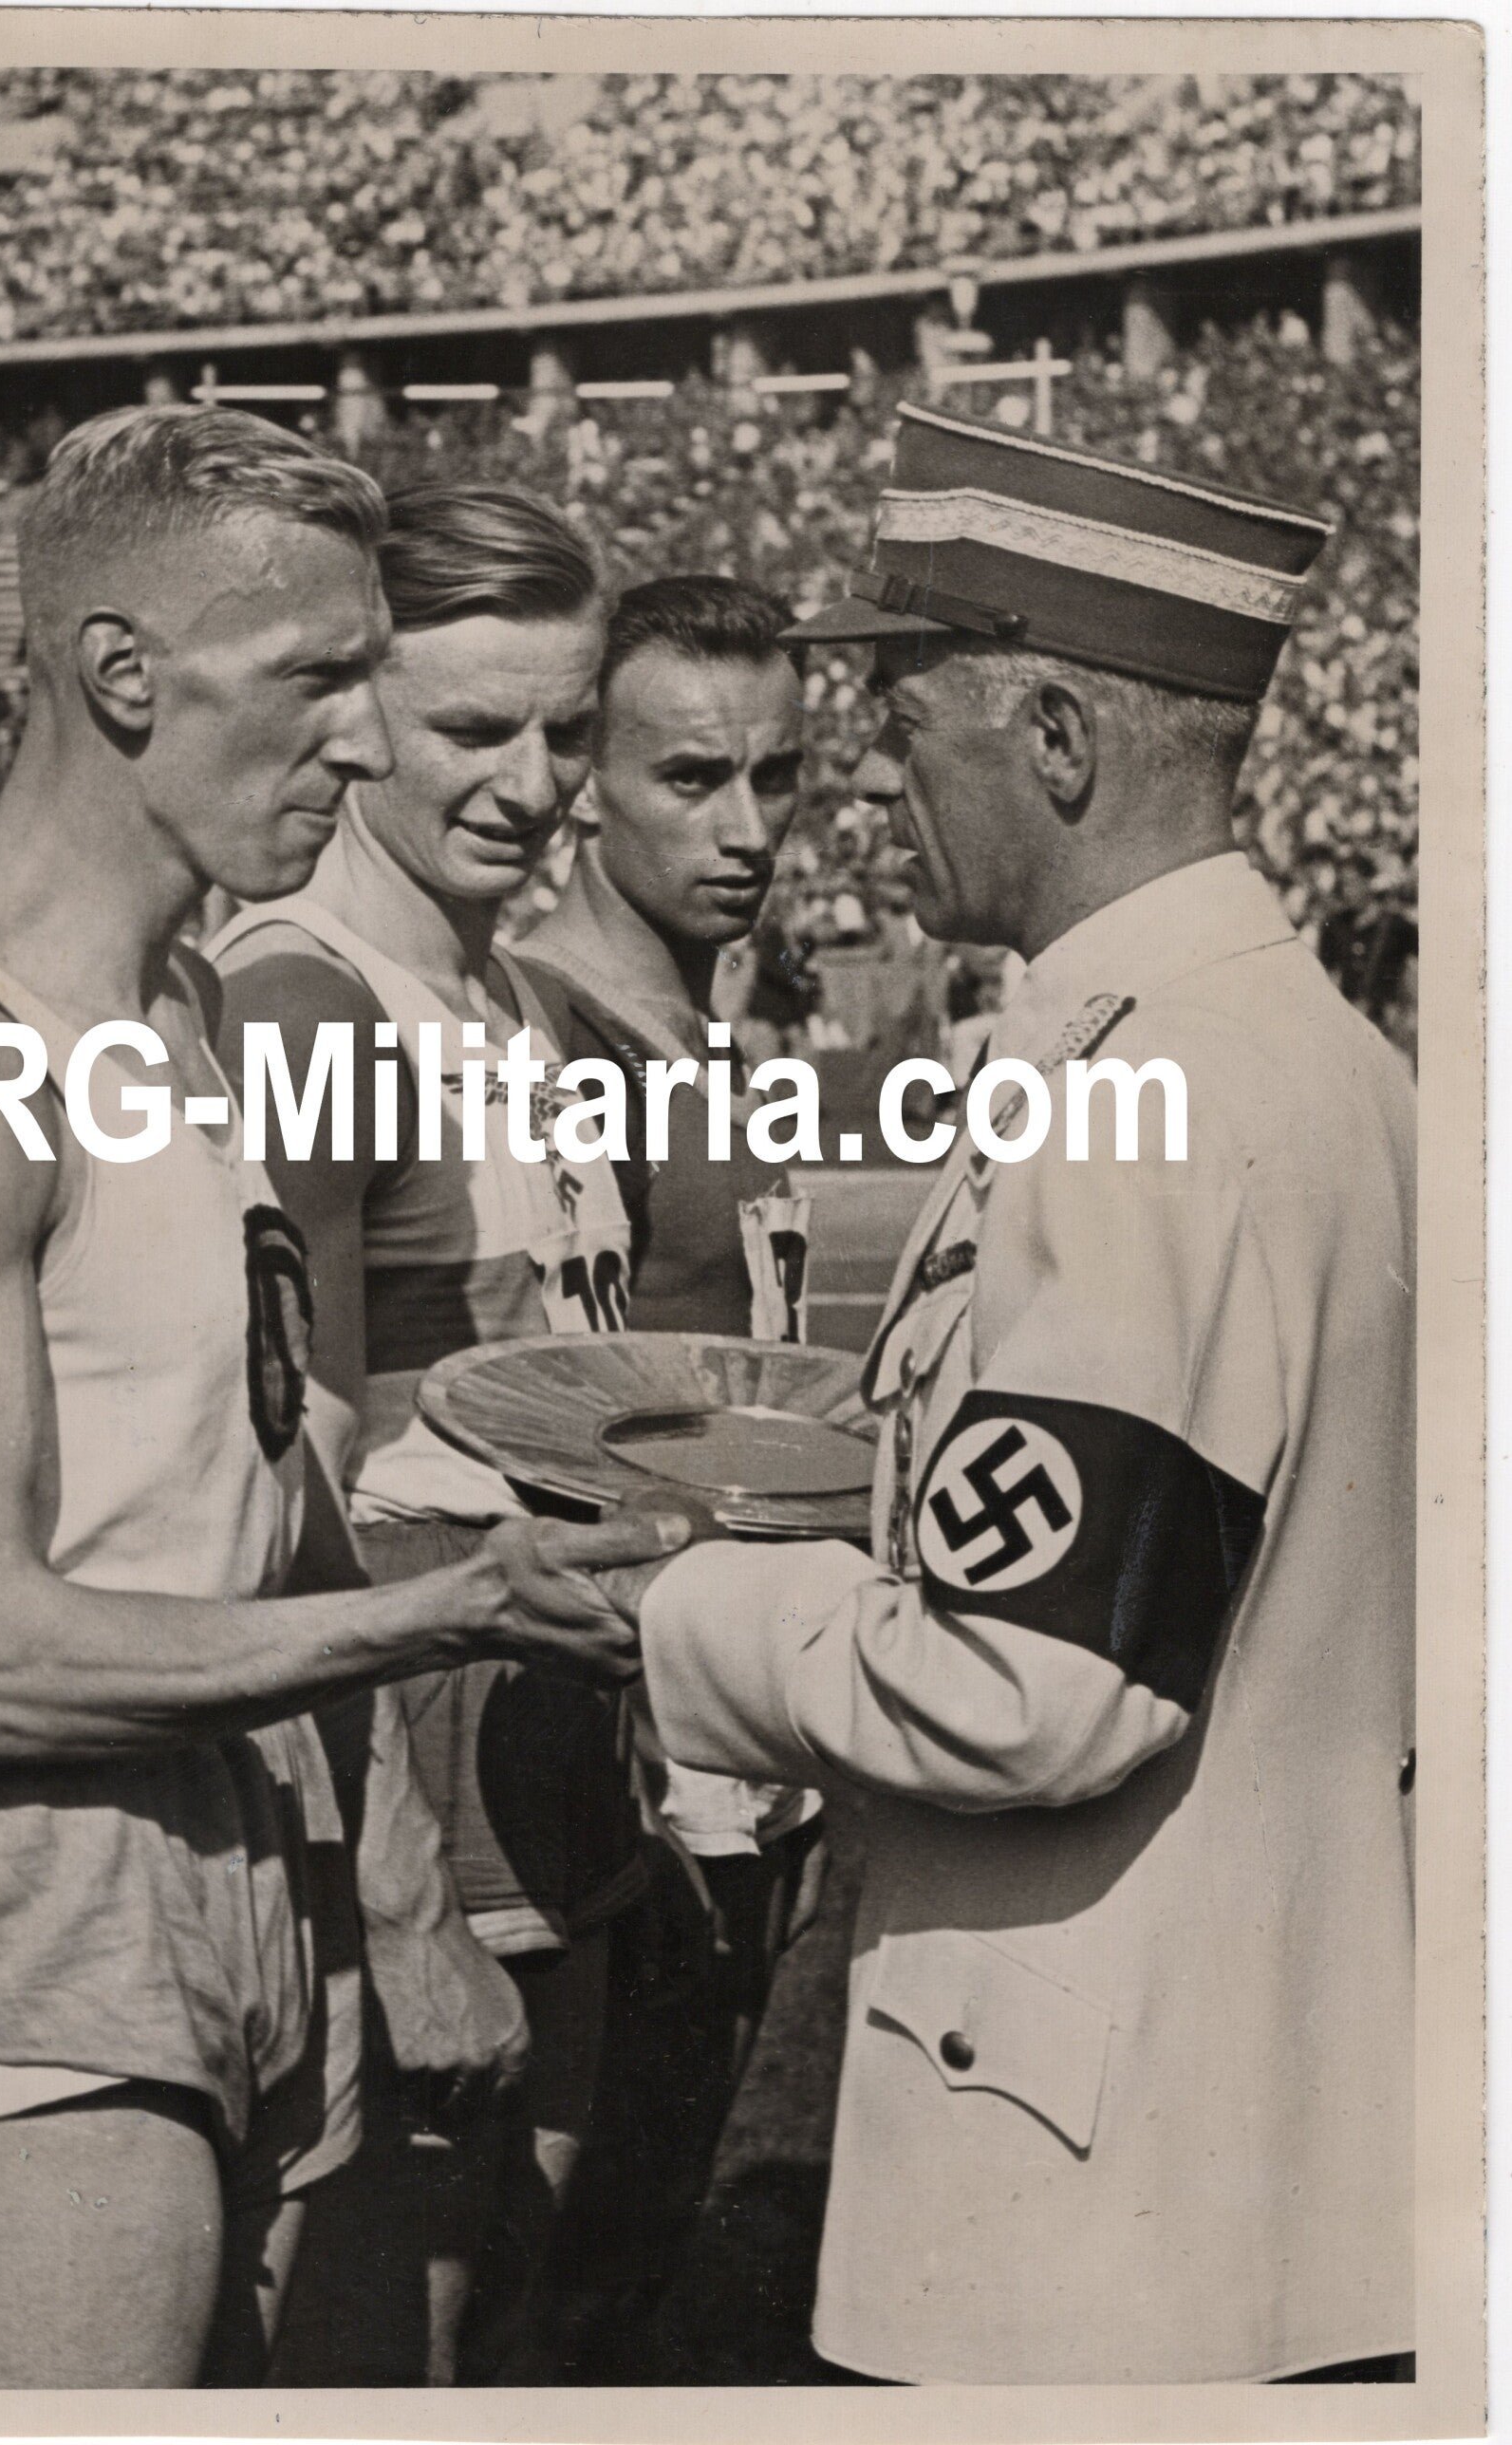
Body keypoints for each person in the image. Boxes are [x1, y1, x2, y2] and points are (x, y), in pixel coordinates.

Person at [0, 407, 684, 2391]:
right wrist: (429, 1615)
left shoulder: (176, 1005)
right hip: (36, 1859)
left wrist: (381, 1860)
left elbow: (258, 1479)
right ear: (120, 679)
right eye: (318, 680)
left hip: (261, 1820)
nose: (363, 742)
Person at [617, 404, 1415, 2382]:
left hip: (1081, 2151)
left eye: (909, 732)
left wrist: (680, 1613)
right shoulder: (1319, 1062)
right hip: (1271, 2114)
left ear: (1053, 738)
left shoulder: (1147, 1105)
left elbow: (1034, 1678)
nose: (880, 794)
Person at [211, 482, 644, 2384]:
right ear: (363, 710)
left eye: (565, 726)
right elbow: (274, 1471)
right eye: (477, 727)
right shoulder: (308, 999)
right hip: (412, 1769)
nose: (538, 779)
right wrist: (396, 1895)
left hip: (561, 1750)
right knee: (416, 2353)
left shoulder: (522, 996)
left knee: (525, 2322)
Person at [516, 573, 832, 2362]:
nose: (746, 829)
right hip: (653, 1781)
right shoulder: (559, 1044)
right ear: (588, 784)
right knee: (606, 2292)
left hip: (756, 1749)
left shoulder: (717, 1043)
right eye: (690, 779)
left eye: (776, 778)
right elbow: (570, 1454)